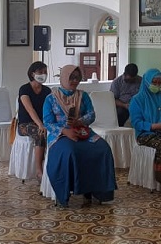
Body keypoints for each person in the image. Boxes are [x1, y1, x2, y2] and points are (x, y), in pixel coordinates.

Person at [42, 65, 116, 208]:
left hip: (82, 131)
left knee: (103, 148)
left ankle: (96, 191)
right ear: (64, 78)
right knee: (70, 151)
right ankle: (68, 191)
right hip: (60, 135)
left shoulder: (83, 95)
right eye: (71, 78)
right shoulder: (51, 98)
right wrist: (65, 131)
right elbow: (48, 122)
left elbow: (91, 114)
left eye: (77, 78)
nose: (75, 81)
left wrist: (79, 121)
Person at [16, 61, 51, 180]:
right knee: (40, 134)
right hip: (25, 125)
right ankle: (39, 171)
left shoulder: (47, 91)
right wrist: (40, 124)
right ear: (32, 74)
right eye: (40, 72)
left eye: (45, 72)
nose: (44, 74)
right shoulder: (24, 89)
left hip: (43, 123)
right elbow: (30, 110)